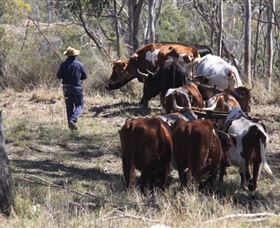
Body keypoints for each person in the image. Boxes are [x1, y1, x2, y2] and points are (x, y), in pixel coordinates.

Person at [57, 46, 87, 130]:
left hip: (66, 88)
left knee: (69, 107)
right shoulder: (80, 64)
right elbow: (84, 76)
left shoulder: (63, 64)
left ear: (67, 55)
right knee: (80, 105)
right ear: (75, 56)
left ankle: (71, 126)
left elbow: (59, 76)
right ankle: (73, 120)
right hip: (77, 87)